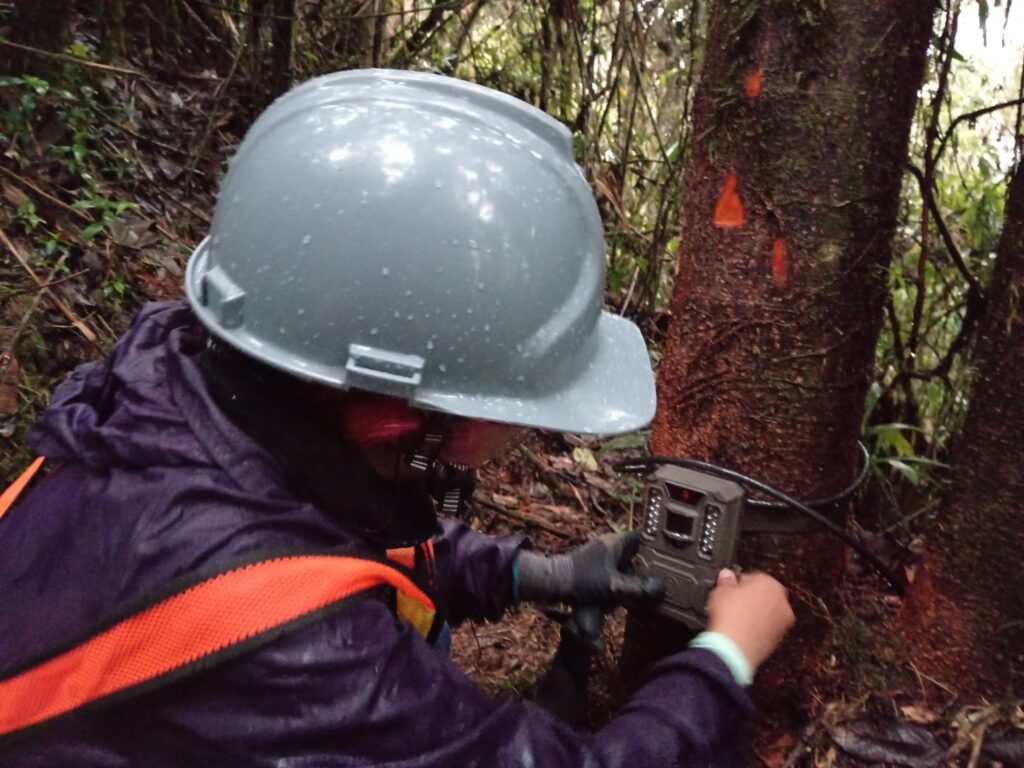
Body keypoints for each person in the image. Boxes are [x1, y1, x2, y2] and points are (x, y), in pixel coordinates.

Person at [0, 69, 794, 767]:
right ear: (395, 419)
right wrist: (722, 662)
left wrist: (525, 573)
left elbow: (296, 536)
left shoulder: (164, 383)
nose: (523, 429)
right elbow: (273, 590)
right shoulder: (310, 653)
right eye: (505, 405)